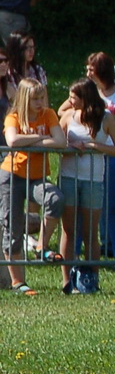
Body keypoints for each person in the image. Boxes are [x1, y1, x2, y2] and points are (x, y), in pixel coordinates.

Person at [57, 78, 115, 293]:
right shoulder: (68, 116)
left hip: (94, 180)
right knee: (68, 230)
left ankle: (91, 279)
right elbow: (57, 143)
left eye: (73, 97)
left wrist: (97, 146)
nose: (70, 101)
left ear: (85, 98)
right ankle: (66, 280)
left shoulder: (106, 118)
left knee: (90, 231)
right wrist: (71, 146)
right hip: (68, 177)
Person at [2, 78, 65, 295]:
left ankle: (41, 247)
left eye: (41, 97)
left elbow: (60, 141)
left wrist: (29, 140)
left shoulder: (49, 114)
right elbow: (12, 141)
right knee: (12, 226)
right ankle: (18, 282)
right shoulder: (13, 117)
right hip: (12, 175)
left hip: (37, 177)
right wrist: (41, 137)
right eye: (35, 99)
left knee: (55, 199)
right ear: (24, 99)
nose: (40, 102)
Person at [86, 51, 115, 258]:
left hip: (114, 153)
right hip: (92, 154)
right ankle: (102, 243)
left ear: (101, 70)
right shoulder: (89, 93)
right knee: (93, 202)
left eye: (91, 69)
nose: (88, 73)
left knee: (111, 203)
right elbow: (66, 110)